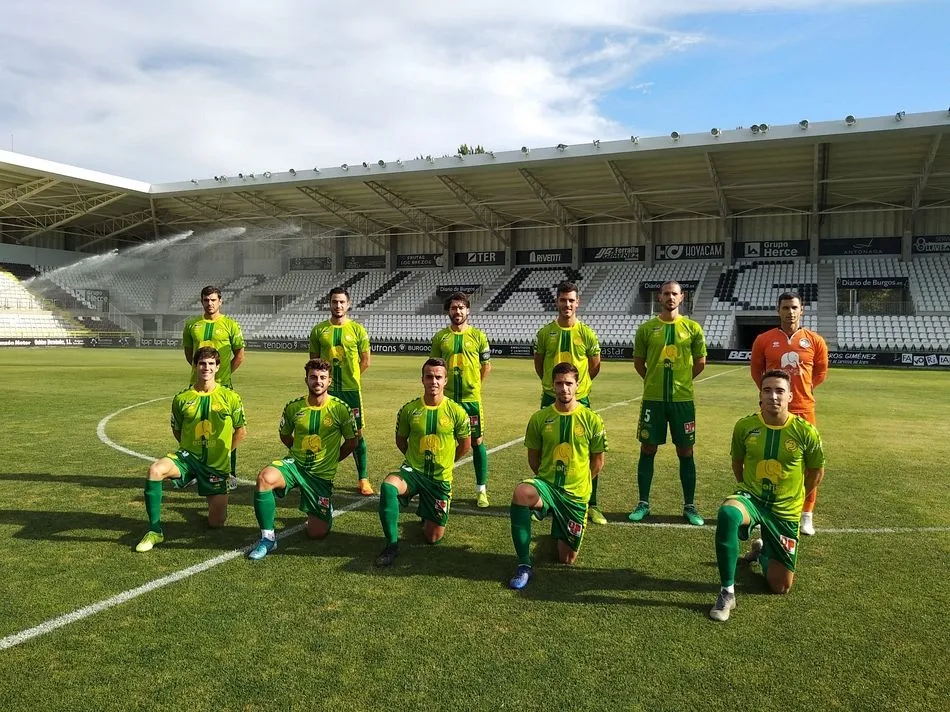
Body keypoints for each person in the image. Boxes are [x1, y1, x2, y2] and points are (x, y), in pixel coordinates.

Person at [709, 370, 825, 621]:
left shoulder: (806, 431)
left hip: (785, 509)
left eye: (780, 391)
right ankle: (727, 592)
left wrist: (797, 496)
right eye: (767, 390)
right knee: (728, 513)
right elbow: (737, 464)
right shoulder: (744, 426)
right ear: (760, 395)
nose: (773, 396)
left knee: (780, 587)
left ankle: (762, 551)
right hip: (753, 498)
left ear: (790, 396)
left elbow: (816, 471)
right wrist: (748, 490)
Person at [134, 347, 247, 552]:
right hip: (188, 458)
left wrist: (226, 453)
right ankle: (154, 530)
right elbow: (177, 429)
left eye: (211, 364)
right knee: (155, 470)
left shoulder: (231, 397)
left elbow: (241, 431)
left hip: (216, 466)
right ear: (195, 366)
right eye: (202, 363)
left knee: (216, 523)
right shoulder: (181, 399)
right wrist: (189, 448)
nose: (206, 368)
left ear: (218, 367)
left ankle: (206, 488)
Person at [246, 359, 359, 560]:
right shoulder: (293, 407)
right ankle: (268, 538)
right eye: (313, 377)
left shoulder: (341, 408)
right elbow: (285, 435)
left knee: (316, 534)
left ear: (329, 381)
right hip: (295, 465)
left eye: (322, 378)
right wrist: (295, 451)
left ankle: (325, 508)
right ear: (306, 379)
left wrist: (332, 460)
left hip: (320, 476)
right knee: (265, 478)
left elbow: (352, 441)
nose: (318, 381)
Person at [508, 363, 608, 590]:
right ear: (552, 386)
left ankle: (562, 519)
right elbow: (534, 459)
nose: (564, 388)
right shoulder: (539, 418)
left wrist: (581, 485)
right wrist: (545, 482)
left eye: (569, 383)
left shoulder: (592, 420)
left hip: (576, 495)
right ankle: (524, 564)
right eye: (559, 383)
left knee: (565, 560)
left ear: (578, 386)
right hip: (548, 487)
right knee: (522, 493)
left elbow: (597, 462)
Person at [374, 358, 471, 567]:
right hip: (413, 472)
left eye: (438, 377)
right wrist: (412, 460)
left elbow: (465, 444)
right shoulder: (409, 410)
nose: (433, 381)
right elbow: (401, 440)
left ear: (445, 381)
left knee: (432, 538)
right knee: (388, 486)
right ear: (422, 379)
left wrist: (448, 461)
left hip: (439, 479)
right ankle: (391, 545)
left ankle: (426, 515)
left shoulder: (457, 411)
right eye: (429, 377)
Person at [628, 280, 707, 526]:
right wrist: (654, 381)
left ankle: (689, 505)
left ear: (682, 297)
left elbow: (700, 362)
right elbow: (639, 363)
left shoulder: (693, 328)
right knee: (648, 448)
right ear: (659, 297)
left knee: (685, 451)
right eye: (666, 294)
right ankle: (643, 502)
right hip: (653, 400)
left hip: (683, 400)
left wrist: (682, 380)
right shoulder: (646, 329)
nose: (670, 297)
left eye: (674, 294)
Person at [750, 291, 829, 536]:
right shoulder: (764, 339)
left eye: (794, 307)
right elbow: (757, 372)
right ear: (778, 310)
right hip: (772, 411)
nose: (790, 312)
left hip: (804, 409)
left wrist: (799, 392)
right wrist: (774, 398)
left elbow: (820, 374)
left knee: (808, 465)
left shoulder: (815, 341)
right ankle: (768, 510)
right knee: (770, 462)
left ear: (802, 310)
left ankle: (806, 514)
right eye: (785, 307)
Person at [533, 280, 605, 525]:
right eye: (563, 300)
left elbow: (594, 366)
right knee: (547, 448)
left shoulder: (586, 333)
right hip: (549, 398)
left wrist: (577, 389)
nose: (567, 304)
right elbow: (540, 366)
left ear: (578, 302)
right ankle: (549, 498)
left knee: (585, 452)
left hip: (580, 399)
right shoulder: (545, 333)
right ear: (557, 301)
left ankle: (590, 503)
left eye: (571, 300)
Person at [309, 287, 373, 496]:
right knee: (323, 431)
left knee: (357, 434)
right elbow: (314, 362)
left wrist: (350, 377)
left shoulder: (357, 330)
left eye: (341, 302)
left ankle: (363, 478)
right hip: (326, 391)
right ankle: (320, 474)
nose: (338, 306)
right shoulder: (319, 330)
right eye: (334, 302)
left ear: (348, 304)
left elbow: (365, 361)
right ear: (330, 303)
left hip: (350, 391)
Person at [429, 291, 492, 508]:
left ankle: (481, 490)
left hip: (470, 399)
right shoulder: (440, 338)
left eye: (461, 307)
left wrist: (474, 385)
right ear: (448, 311)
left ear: (468, 310)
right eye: (454, 308)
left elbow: (486, 366)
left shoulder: (478, 336)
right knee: (442, 441)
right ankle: (437, 483)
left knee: (476, 442)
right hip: (446, 400)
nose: (458, 311)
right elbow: (434, 368)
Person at [182, 285, 246, 491]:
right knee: (193, 430)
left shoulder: (230, 325)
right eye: (206, 300)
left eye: (213, 300)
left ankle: (230, 473)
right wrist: (202, 375)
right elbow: (189, 354)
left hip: (224, 387)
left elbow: (239, 355)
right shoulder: (192, 325)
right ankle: (192, 471)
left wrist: (222, 374)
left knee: (225, 432)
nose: (209, 303)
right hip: (197, 387)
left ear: (221, 301)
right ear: (201, 301)